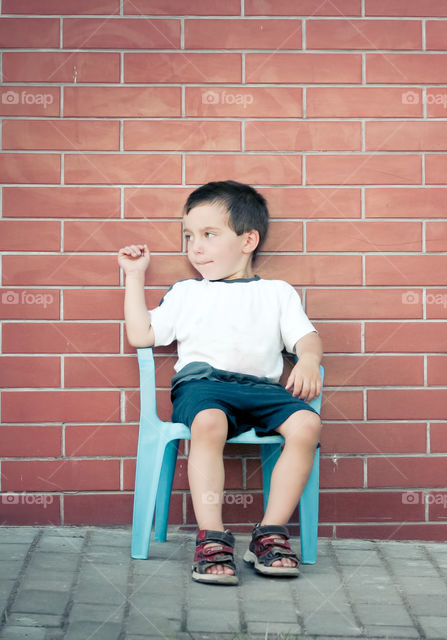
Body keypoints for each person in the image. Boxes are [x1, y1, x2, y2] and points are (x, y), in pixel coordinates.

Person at [117, 180, 323, 586]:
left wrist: (310, 359)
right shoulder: (186, 292)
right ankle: (211, 537)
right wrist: (134, 276)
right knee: (208, 423)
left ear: (248, 240)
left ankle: (270, 533)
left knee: (307, 426)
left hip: (261, 389)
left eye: (209, 235)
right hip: (203, 385)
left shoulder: (276, 293)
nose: (196, 247)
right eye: (189, 236)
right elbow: (142, 335)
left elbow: (306, 336)